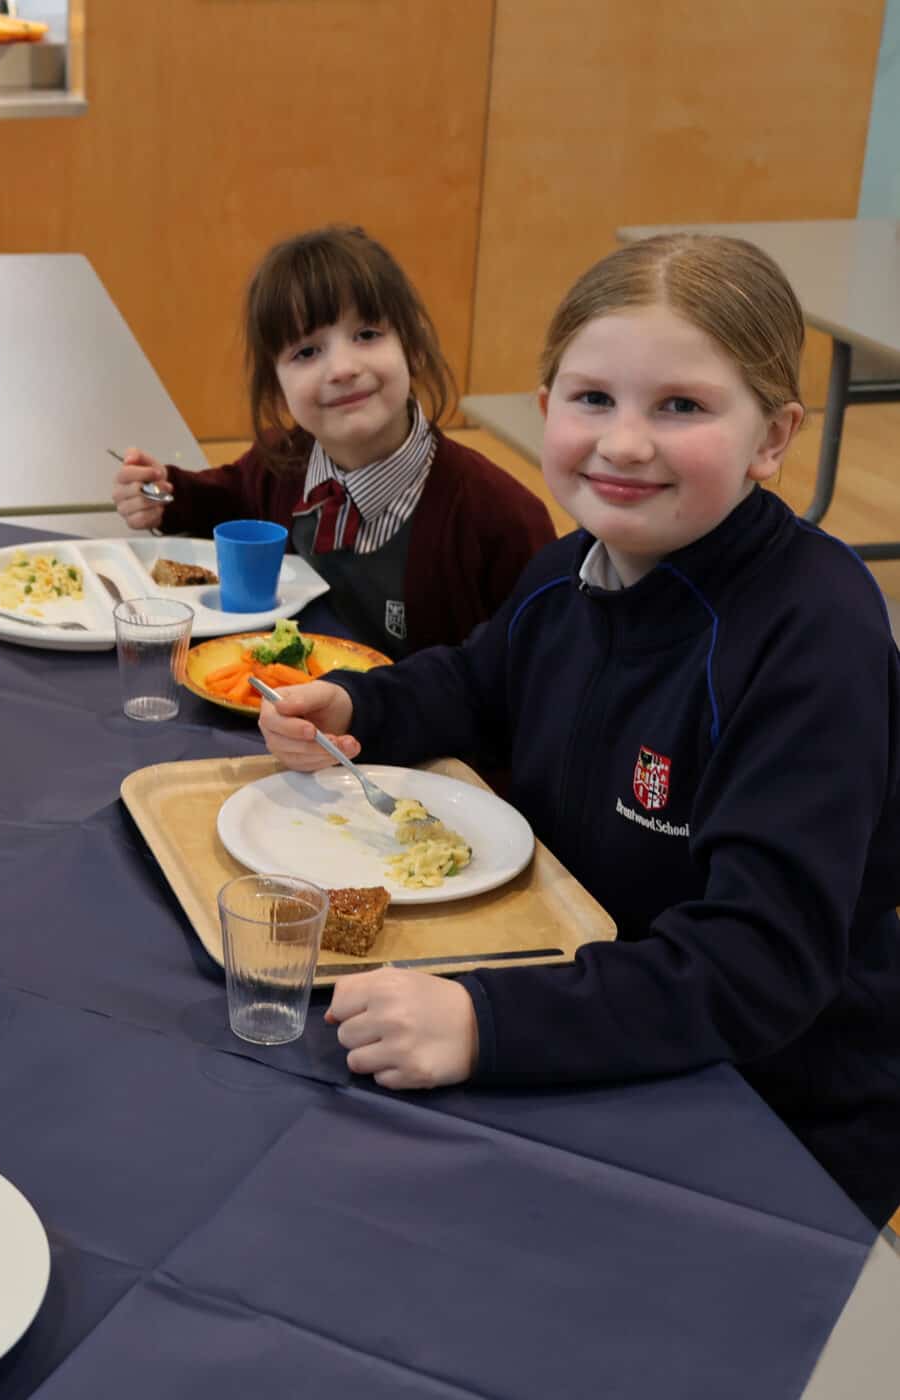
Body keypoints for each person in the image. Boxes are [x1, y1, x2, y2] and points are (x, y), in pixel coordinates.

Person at [260, 234, 900, 1225]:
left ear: (772, 436)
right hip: (576, 995)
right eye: (592, 397)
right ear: (548, 402)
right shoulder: (570, 567)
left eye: (681, 405)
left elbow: (760, 964)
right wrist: (361, 708)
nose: (626, 441)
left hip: (768, 1109)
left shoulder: (816, 631)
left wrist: (488, 1020)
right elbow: (478, 682)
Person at [110, 225, 554, 655]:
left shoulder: (500, 517)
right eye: (306, 352)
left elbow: (536, 674)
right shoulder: (283, 462)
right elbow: (229, 498)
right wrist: (164, 493)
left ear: (413, 347)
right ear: (277, 386)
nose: (342, 368)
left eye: (367, 335)